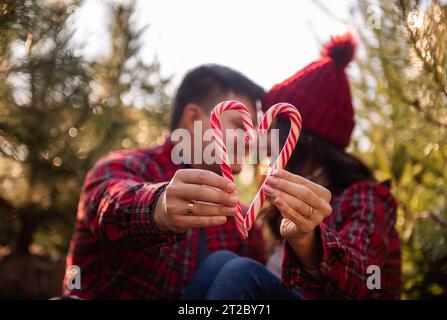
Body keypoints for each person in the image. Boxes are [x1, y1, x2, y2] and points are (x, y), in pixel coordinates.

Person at [183, 33, 402, 300]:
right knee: (220, 262)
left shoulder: (365, 198)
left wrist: (308, 240)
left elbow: (370, 278)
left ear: (299, 138)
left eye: (272, 128)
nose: (261, 140)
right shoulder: (283, 204)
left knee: (241, 272)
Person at [63, 64, 267, 299]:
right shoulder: (121, 168)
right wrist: (160, 206)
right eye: (241, 126)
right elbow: (111, 200)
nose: (252, 141)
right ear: (193, 119)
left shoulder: (242, 222)